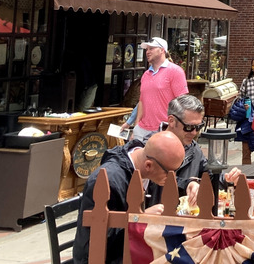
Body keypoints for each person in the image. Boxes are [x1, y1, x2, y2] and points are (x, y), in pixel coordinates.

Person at [72, 132, 185, 264]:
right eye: (170, 173)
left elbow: (170, 179)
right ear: (148, 165)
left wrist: (189, 183)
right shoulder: (108, 180)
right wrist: (140, 218)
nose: (172, 177)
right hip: (105, 257)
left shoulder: (148, 165)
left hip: (135, 248)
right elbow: (98, 237)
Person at [146, 94, 207, 207]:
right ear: (172, 121)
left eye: (199, 127)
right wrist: (187, 184)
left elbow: (208, 174)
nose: (194, 133)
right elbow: (160, 179)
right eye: (189, 127)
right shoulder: (150, 147)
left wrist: (227, 178)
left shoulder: (194, 148)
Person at [126, 37, 188, 143]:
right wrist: (136, 126)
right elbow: (142, 102)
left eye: (151, 48)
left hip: (164, 130)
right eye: (146, 49)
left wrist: (175, 129)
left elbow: (182, 102)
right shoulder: (146, 75)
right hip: (142, 130)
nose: (148, 52)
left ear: (162, 50)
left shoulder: (175, 71)